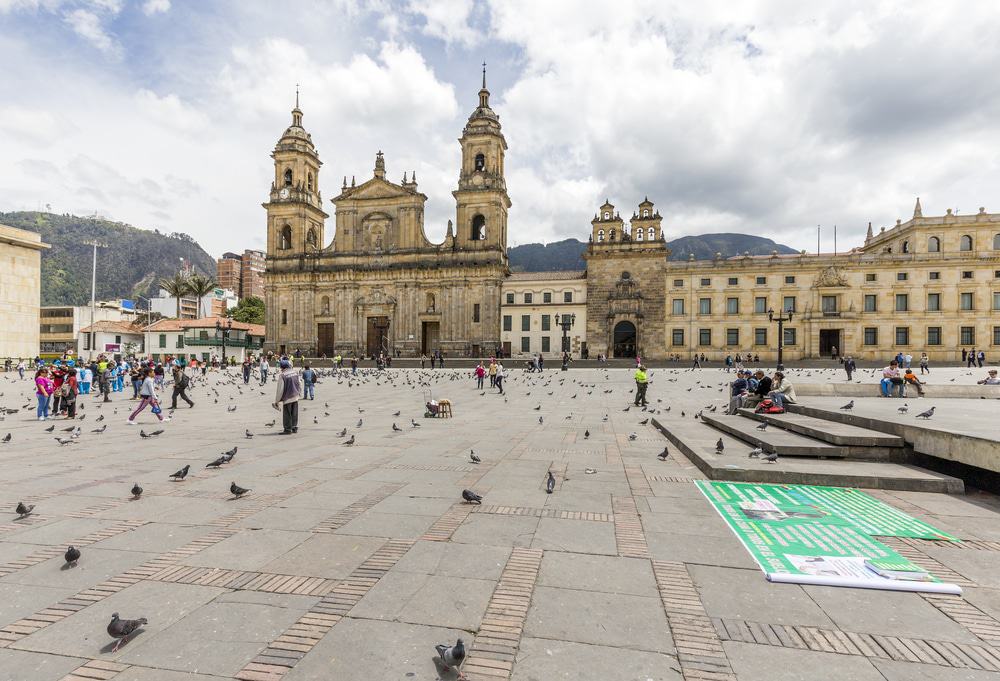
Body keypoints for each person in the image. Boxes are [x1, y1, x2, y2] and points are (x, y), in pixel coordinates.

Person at [273, 359, 302, 434]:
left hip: (288, 397)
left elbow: (280, 390)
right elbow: (299, 383)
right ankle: (294, 427)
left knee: (287, 414)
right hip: (295, 396)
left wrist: (277, 401)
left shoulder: (282, 376)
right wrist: (299, 393)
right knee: (294, 412)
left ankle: (288, 429)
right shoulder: (295, 373)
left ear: (282, 367)